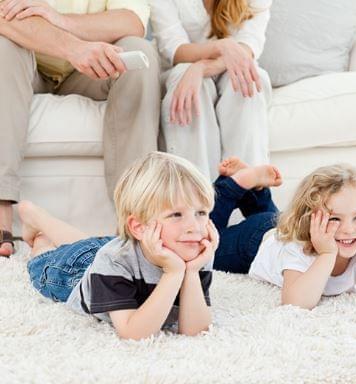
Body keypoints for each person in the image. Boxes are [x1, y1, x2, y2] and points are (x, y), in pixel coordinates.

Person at [0, 0, 161, 257]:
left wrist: (58, 20)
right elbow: (4, 17)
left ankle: (136, 210)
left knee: (139, 49)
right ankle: (1, 207)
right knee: (2, 45)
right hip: (27, 65)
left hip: (91, 69)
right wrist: (72, 47)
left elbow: (132, 21)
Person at [21, 152, 216, 339]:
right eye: (176, 214)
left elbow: (196, 331)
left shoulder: (195, 253)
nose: (194, 227)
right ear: (139, 227)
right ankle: (36, 221)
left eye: (201, 213)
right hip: (76, 272)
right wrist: (173, 273)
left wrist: (190, 272)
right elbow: (134, 334)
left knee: (87, 245)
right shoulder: (113, 260)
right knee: (47, 260)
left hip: (119, 249)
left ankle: (38, 218)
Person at [212, 161, 356, 309]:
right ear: (307, 219)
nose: (349, 230)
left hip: (279, 223)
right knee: (209, 242)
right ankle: (234, 185)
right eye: (334, 219)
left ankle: (257, 189)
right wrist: (327, 254)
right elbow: (295, 303)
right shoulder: (299, 247)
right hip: (254, 242)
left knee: (275, 217)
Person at [149, 0, 272, 181]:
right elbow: (174, 49)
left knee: (250, 78)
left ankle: (249, 192)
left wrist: (201, 68)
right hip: (181, 69)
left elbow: (248, 47)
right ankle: (197, 197)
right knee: (186, 79)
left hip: (223, 69)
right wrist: (220, 46)